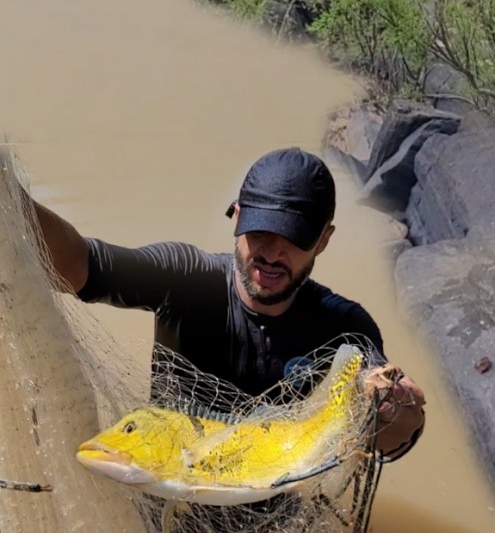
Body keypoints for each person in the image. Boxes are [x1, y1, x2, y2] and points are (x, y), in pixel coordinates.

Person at [25, 147, 426, 459]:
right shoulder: (183, 278)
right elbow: (80, 265)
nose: (272, 252)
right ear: (237, 218)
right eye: (261, 232)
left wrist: (395, 410)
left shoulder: (345, 326)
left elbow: (386, 439)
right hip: (167, 477)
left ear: (324, 240)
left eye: (294, 238)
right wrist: (10, 196)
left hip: (269, 499)